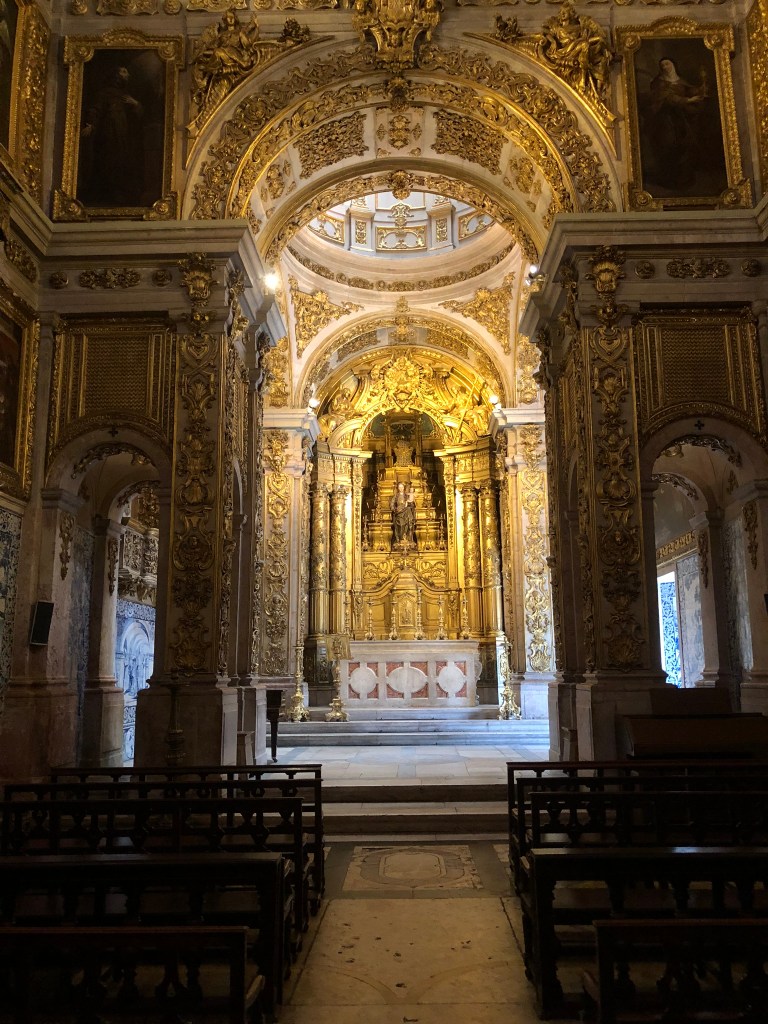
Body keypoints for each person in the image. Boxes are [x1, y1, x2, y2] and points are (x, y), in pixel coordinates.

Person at [79, 65, 145, 207]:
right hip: (108, 132)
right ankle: (107, 193)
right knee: (107, 159)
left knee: (122, 161)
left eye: (126, 72)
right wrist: (90, 124)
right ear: (116, 74)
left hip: (123, 134)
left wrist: (136, 104)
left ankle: (120, 193)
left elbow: (139, 116)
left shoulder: (127, 95)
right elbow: (95, 109)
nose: (127, 74)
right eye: (123, 71)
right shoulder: (104, 93)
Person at [642, 57, 710, 193]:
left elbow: (690, 91)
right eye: (662, 65)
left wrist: (701, 90)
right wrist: (688, 100)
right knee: (669, 145)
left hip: (681, 120)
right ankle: (670, 179)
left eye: (667, 64)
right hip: (666, 120)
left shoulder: (680, 81)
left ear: (673, 65)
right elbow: (668, 98)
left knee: (685, 145)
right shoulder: (659, 83)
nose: (665, 67)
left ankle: (684, 178)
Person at [390, 481, 416, 547]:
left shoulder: (407, 495)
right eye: (399, 487)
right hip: (399, 513)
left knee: (408, 525)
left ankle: (407, 539)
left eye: (402, 487)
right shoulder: (396, 496)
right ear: (398, 488)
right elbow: (392, 504)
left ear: (404, 488)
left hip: (406, 512)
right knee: (401, 526)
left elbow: (412, 504)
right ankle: (400, 539)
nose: (401, 488)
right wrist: (395, 509)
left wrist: (409, 503)